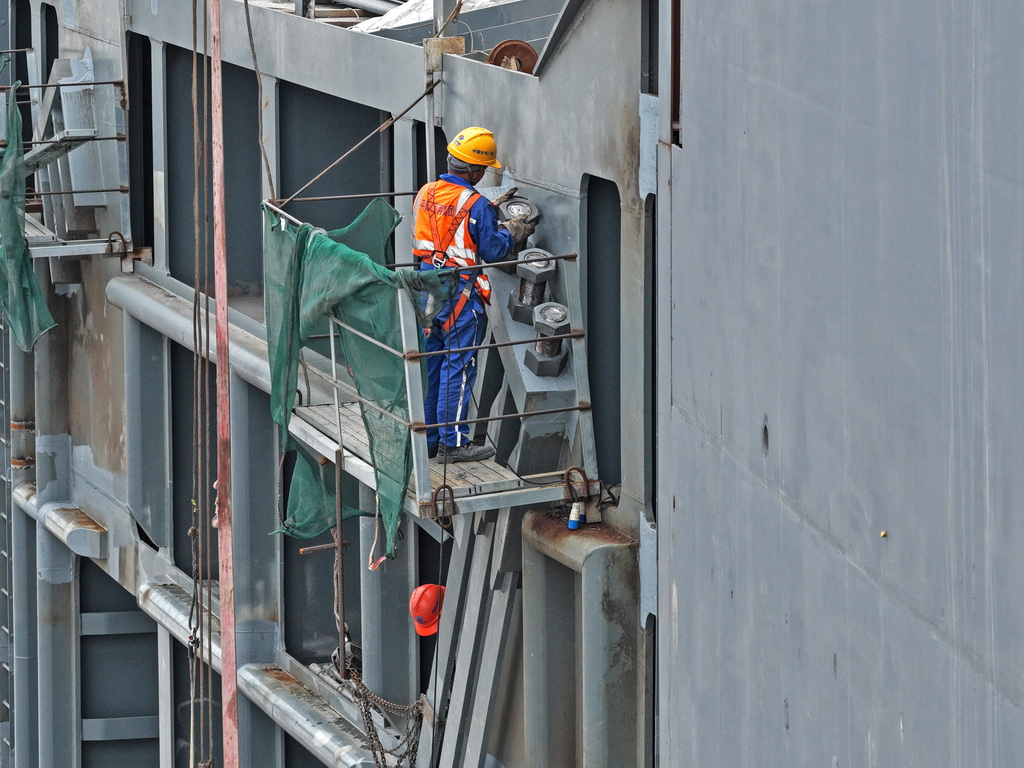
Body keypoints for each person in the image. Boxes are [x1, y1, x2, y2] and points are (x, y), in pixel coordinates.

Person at [413, 127, 534, 462]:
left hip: (428, 293)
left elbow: (438, 232)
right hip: (460, 296)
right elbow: (493, 251)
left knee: (433, 366)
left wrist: (483, 213)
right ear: (476, 170)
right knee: (460, 367)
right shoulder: (476, 205)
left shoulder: (426, 193)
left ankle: (430, 441)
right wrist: (511, 231)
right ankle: (454, 445)